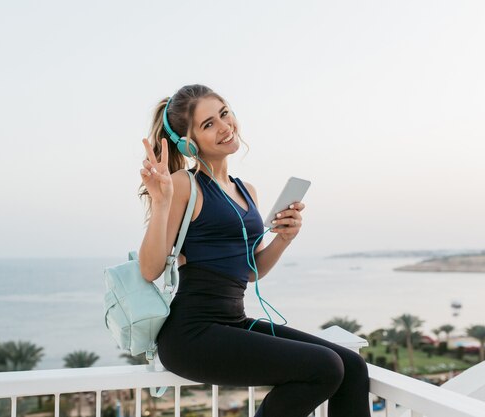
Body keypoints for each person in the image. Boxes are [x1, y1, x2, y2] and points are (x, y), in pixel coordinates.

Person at [138, 84, 370, 417]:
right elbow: (149, 270)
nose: (224, 126)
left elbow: (250, 271)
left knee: (353, 367)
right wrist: (160, 203)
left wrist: (284, 238)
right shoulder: (182, 184)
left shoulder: (247, 191)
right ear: (189, 143)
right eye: (208, 124)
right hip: (192, 333)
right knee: (325, 367)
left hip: (233, 320)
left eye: (224, 113)